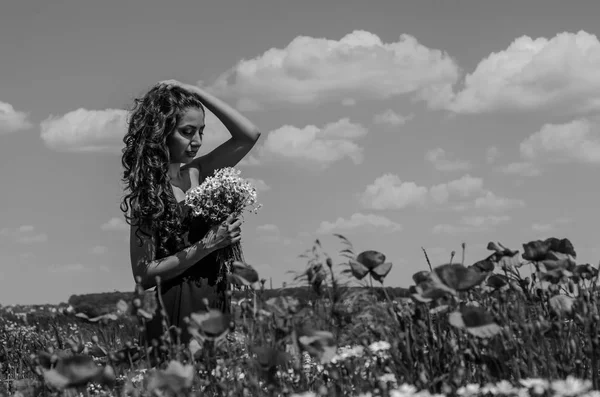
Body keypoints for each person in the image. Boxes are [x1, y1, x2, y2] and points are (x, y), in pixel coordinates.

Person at [120, 80, 261, 349]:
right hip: (175, 304)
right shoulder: (149, 192)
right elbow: (143, 274)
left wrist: (194, 92)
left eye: (200, 131)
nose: (196, 141)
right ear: (161, 132)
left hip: (214, 295)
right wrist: (208, 245)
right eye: (187, 132)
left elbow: (248, 135)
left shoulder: (199, 171)